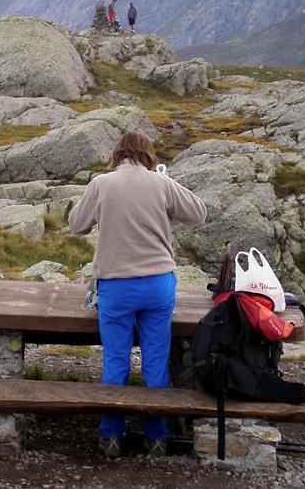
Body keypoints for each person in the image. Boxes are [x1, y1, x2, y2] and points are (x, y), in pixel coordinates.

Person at [68, 132, 207, 459]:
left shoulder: (102, 184)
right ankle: (157, 436)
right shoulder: (161, 184)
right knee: (156, 362)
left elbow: (76, 224)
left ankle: (112, 436)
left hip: (116, 286)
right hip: (158, 284)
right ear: (147, 155)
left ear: (117, 154)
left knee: (115, 361)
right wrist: (167, 183)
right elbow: (199, 213)